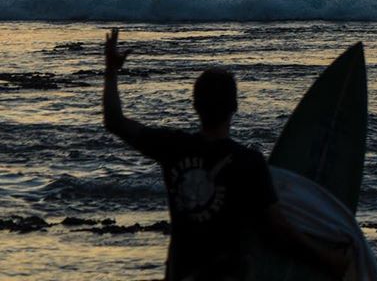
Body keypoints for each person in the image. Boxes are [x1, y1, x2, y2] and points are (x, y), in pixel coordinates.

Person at [102, 28, 348, 281]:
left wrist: (111, 69)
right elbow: (279, 229)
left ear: (195, 105)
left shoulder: (173, 147)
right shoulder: (248, 162)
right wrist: (327, 259)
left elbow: (114, 120)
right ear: (235, 107)